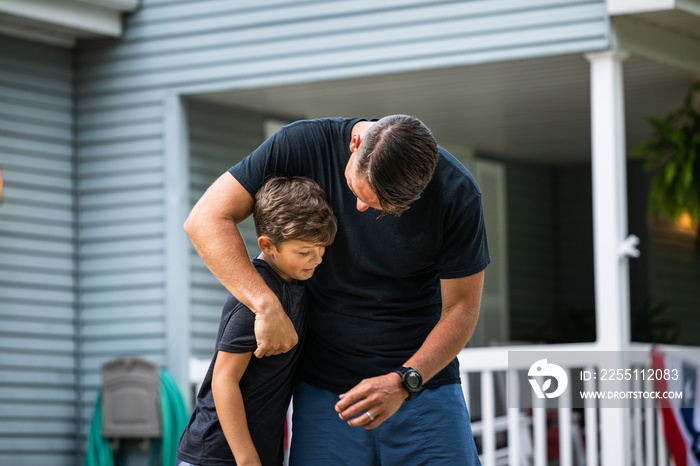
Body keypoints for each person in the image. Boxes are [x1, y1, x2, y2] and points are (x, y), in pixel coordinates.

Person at [184, 115, 490, 464]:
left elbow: (461, 310)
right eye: (357, 191)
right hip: (325, 393)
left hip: (423, 386)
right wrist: (265, 304)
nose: (360, 209)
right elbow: (205, 219)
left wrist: (406, 380)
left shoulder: (456, 192)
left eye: (382, 208)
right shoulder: (299, 145)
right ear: (355, 145)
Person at [176, 176, 338, 466]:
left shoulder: (296, 280)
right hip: (217, 455)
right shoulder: (258, 295)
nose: (317, 259)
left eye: (322, 249)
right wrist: (247, 458)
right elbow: (224, 379)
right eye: (304, 252)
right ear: (268, 244)